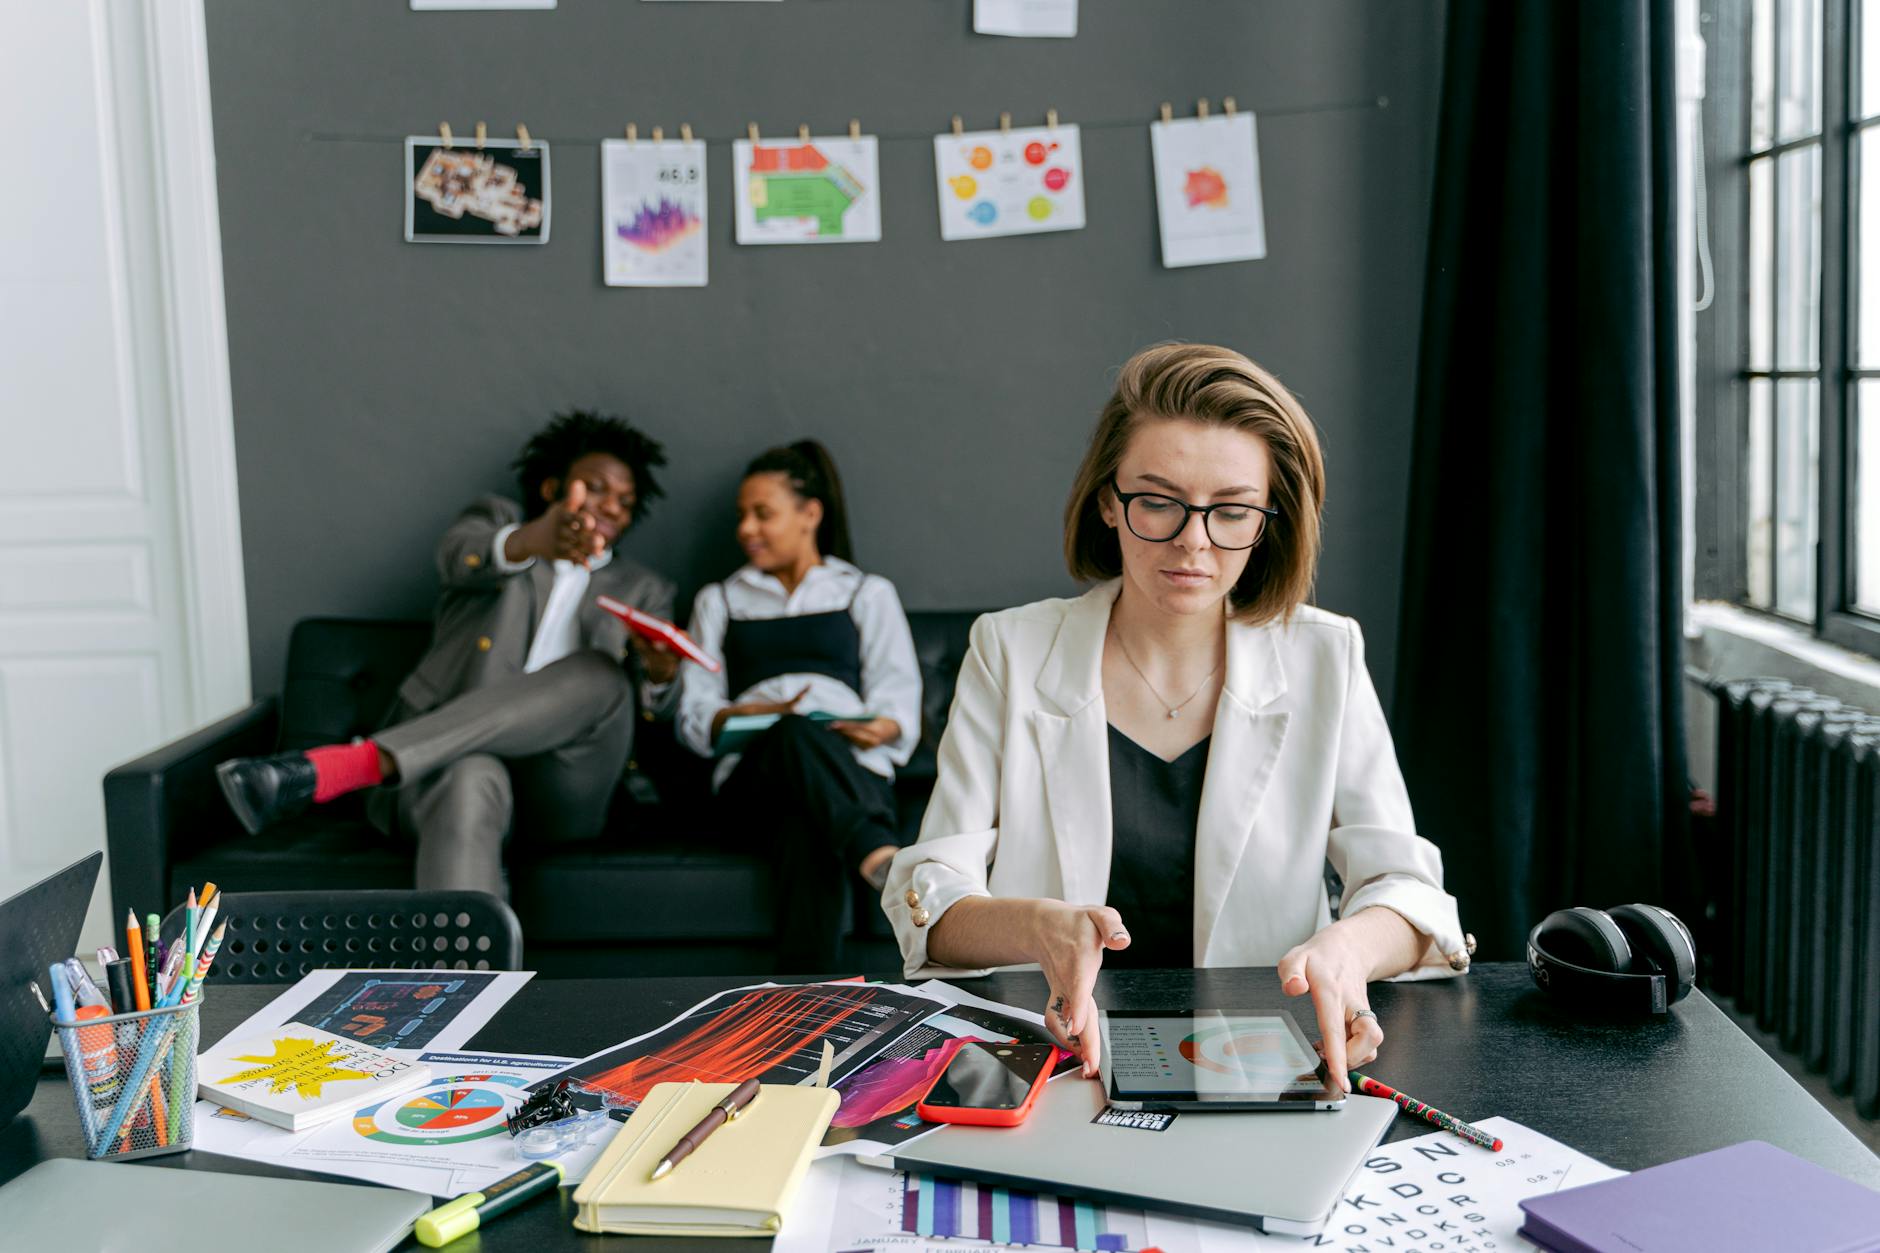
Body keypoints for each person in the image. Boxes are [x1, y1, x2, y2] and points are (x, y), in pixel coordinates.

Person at [880, 343, 1470, 1087]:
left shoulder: (1326, 656)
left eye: (1231, 510)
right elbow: (932, 894)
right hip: (1055, 1065)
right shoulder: (1012, 648)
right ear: (1107, 499)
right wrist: (1038, 927)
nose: (1193, 540)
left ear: (1268, 520)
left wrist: (1348, 950)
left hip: (1260, 1065)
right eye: (1158, 501)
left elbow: (1411, 894)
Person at [215, 411, 680, 896]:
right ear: (552, 487)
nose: (611, 507)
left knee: (601, 673)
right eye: (596, 487)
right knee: (468, 776)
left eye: (625, 502)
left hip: (564, 784)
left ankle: (349, 765)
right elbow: (460, 555)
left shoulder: (644, 588)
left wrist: (661, 674)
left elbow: (656, 709)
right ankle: (459, 975)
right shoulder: (499, 526)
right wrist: (531, 541)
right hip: (448, 768)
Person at [678, 441, 922, 972]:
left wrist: (877, 728)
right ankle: (878, 854)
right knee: (788, 733)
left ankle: (806, 1010)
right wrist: (734, 718)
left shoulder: (864, 593)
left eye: (762, 514)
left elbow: (897, 704)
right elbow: (694, 718)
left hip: (841, 769)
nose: (746, 529)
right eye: (743, 515)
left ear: (810, 514)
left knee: (806, 819)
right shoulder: (719, 601)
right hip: (752, 780)